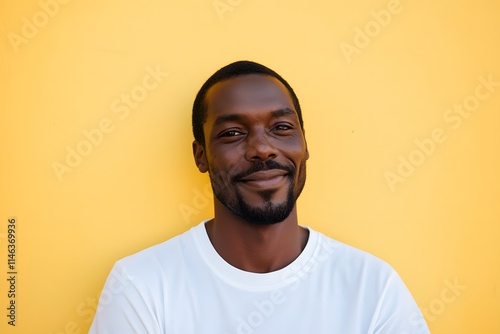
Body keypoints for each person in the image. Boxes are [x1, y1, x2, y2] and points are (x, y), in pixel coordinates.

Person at [89, 60, 430, 333]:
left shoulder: (372, 288)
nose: (263, 149)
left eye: (281, 128)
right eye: (233, 133)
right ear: (201, 156)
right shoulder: (142, 286)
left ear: (305, 145)